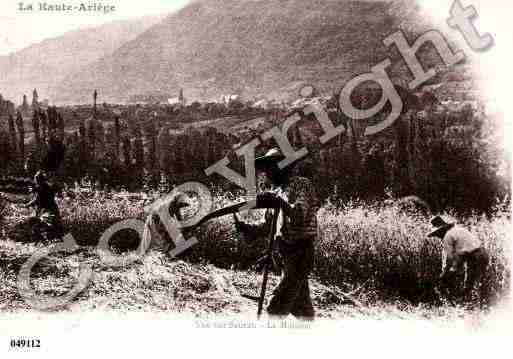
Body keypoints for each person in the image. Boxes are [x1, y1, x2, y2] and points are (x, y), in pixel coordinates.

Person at [235, 148, 319, 321]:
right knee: (302, 309)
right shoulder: (279, 191)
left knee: (276, 308)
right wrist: (247, 228)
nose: (266, 172)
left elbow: (299, 217)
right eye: (265, 168)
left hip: (300, 254)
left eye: (270, 167)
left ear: (283, 167)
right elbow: (268, 225)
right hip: (287, 257)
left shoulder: (301, 185)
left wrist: (279, 201)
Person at [428, 215, 489, 302]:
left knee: (470, 285)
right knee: (477, 283)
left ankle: (471, 305)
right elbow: (461, 254)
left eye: (437, 234)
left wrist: (444, 275)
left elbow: (449, 259)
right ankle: (477, 303)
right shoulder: (459, 230)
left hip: (474, 257)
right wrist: (454, 268)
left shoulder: (447, 237)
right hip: (483, 253)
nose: (437, 237)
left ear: (441, 231)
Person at [24, 170, 63, 241]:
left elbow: (37, 200)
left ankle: (57, 244)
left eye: (36, 179)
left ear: (39, 180)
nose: (35, 181)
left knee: (47, 225)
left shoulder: (41, 188)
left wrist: (27, 205)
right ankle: (64, 244)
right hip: (53, 209)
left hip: (47, 210)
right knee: (55, 227)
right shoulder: (47, 186)